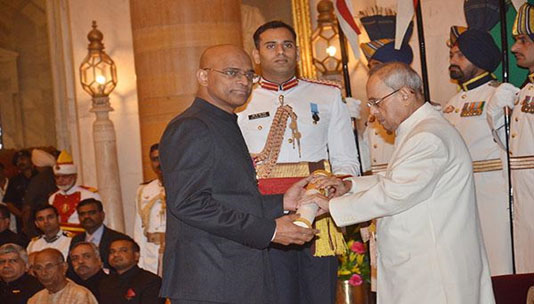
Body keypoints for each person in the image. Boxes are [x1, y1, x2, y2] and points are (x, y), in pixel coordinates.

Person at [301, 62, 495, 304]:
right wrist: (349, 186)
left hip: (433, 273)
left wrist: (332, 206)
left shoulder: (427, 136)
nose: (373, 112)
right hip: (423, 266)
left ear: (404, 94)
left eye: (376, 102)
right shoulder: (420, 130)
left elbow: (396, 192)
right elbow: (400, 180)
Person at [159, 44, 317, 303]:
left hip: (232, 278)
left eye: (249, 75)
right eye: (232, 73)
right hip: (209, 282)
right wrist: (270, 231)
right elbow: (189, 203)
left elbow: (228, 197)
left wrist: (282, 202)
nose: (244, 81)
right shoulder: (191, 126)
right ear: (203, 76)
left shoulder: (222, 122)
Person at [236, 21, 359, 304]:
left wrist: (334, 188)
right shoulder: (241, 99)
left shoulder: (327, 94)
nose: (281, 52)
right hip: (266, 215)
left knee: (319, 295)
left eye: (287, 45)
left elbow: (346, 161)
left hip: (318, 212)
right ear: (256, 55)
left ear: (297, 51)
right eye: (271, 46)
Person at [443, 26, 512, 275]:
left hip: (492, 192)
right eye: (452, 55)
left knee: (498, 263)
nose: (453, 61)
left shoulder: (498, 95)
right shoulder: (452, 103)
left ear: (480, 58)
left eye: (460, 55)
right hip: (459, 193)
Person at [486, 2, 534, 274]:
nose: (515, 48)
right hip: (524, 204)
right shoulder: (527, 89)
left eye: (523, 40)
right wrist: (495, 117)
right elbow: (515, 150)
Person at [358, 9, 414, 175]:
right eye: (370, 67)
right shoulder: (375, 112)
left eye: (375, 66)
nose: (371, 73)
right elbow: (366, 158)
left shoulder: (411, 108)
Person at [48, 150, 101, 234]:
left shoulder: (89, 194)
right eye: (57, 177)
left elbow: (100, 221)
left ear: (75, 177)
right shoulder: (52, 198)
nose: (60, 180)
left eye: (65, 177)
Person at [99, 238, 164, 304]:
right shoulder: (105, 282)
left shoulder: (150, 281)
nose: (116, 255)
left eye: (123, 251)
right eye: (112, 252)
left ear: (136, 255)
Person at [134, 143, 166, 275]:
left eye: (162, 157)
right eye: (154, 159)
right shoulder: (144, 190)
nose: (159, 163)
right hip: (151, 253)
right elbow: (139, 228)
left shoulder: (184, 187)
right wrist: (139, 262)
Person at [69, 198, 128, 270]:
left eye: (92, 213)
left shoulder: (118, 239)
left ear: (102, 215)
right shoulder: (76, 240)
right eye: (82, 214)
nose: (86, 217)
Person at [28, 248, 97, 304]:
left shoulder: (80, 295)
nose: (44, 273)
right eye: (38, 268)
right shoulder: (35, 300)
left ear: (64, 267)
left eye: (49, 266)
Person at [22, 149, 58, 238]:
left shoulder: (37, 180)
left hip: (40, 224)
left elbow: (28, 207)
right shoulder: (56, 175)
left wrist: (25, 226)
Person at [3, 150, 37, 233]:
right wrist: (22, 216)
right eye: (17, 161)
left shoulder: (40, 177)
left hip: (40, 218)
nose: (20, 162)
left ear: (31, 159)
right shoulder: (14, 180)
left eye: (23, 159)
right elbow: (9, 202)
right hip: (22, 222)